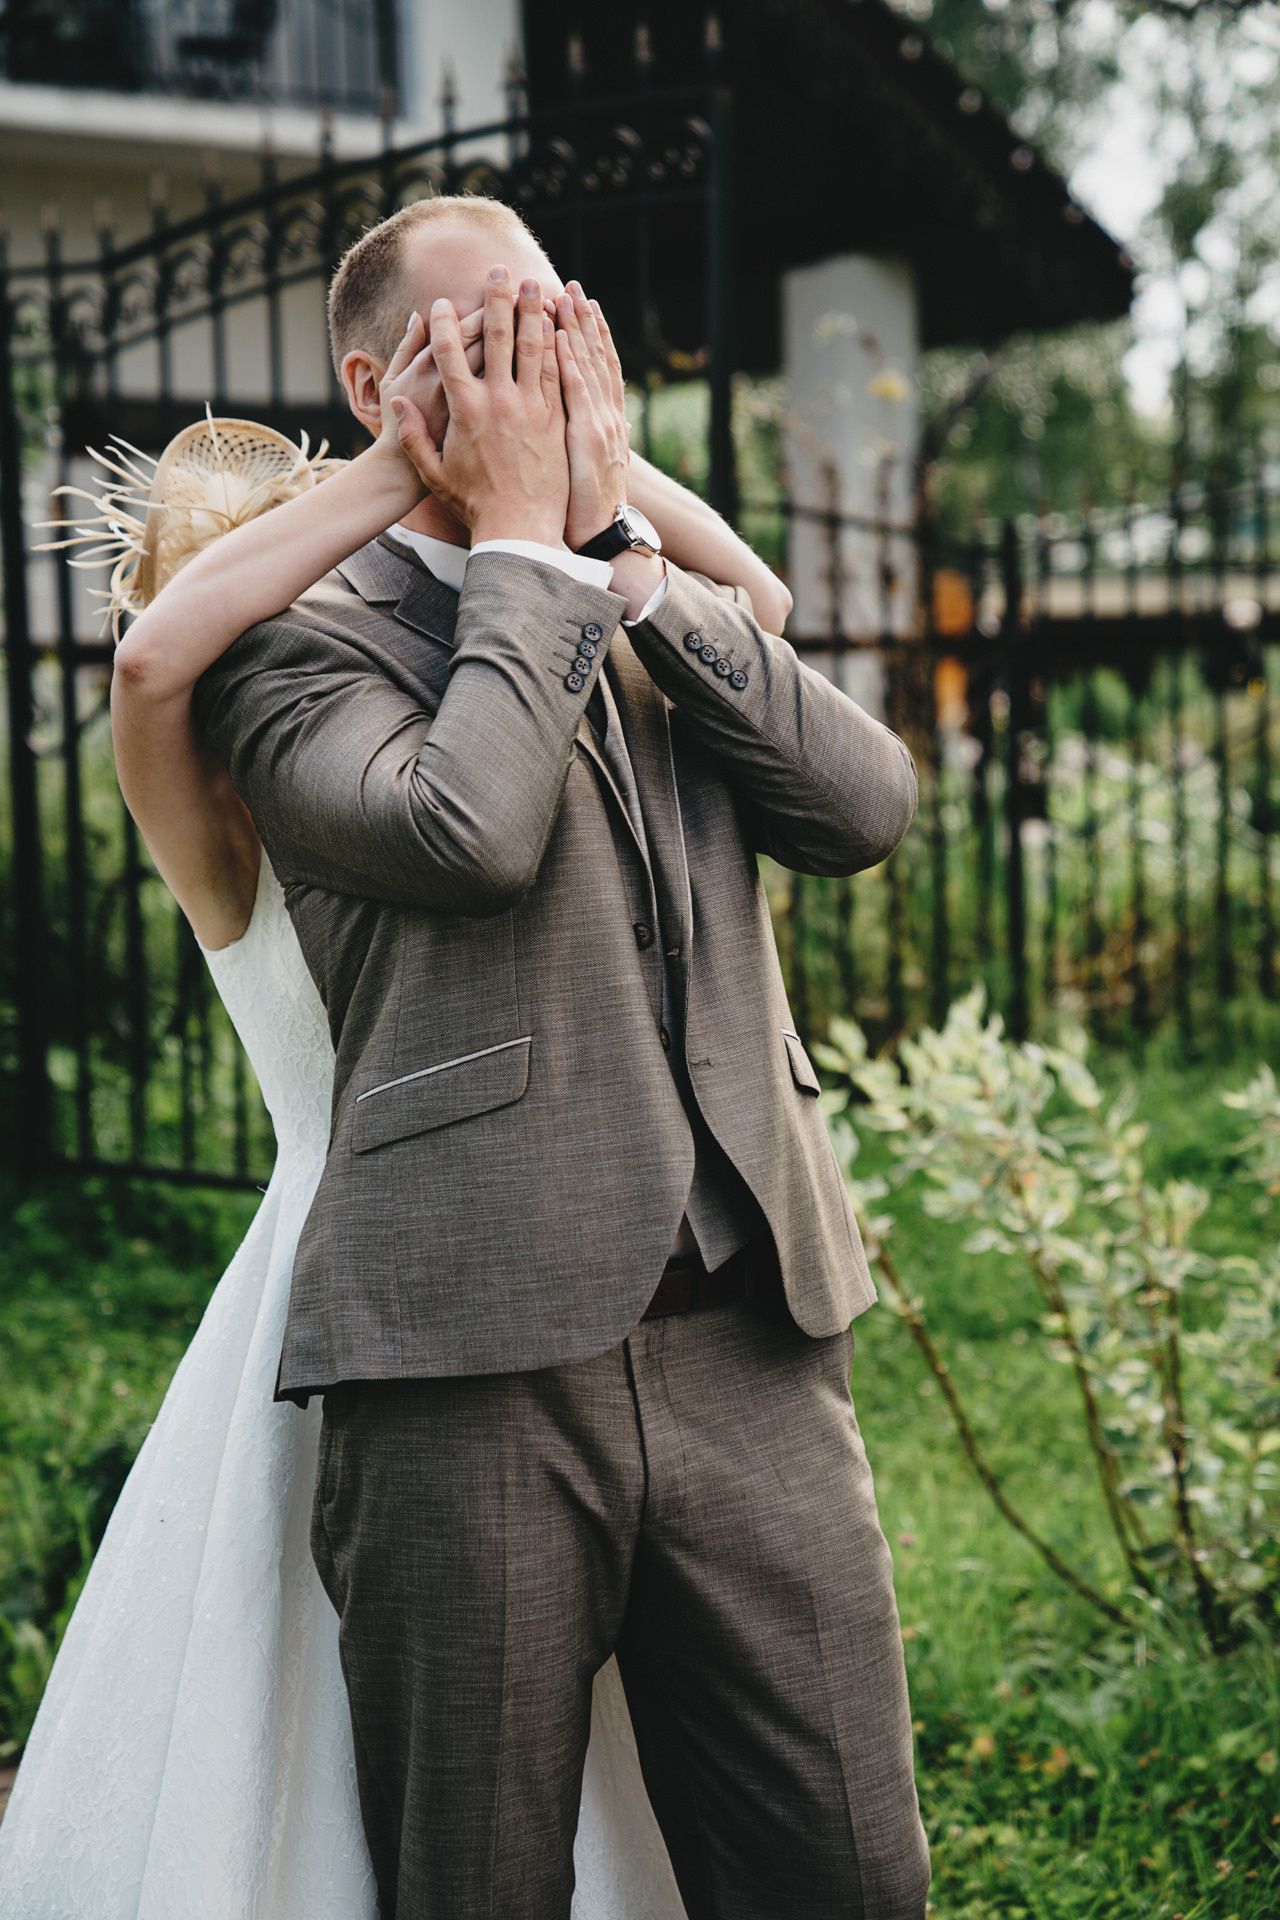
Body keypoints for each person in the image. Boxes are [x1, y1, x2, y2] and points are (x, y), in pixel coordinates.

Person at [0, 217, 781, 1920]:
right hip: (372, 1288)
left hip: (562, 1271)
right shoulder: (222, 777)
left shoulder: (453, 704)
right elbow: (152, 657)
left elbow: (761, 605)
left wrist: (572, 433)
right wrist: (400, 465)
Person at [195, 192, 927, 1918]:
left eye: (557, 320)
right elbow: (466, 831)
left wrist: (624, 558)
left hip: (750, 1334)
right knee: (475, 1881)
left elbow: (865, 808)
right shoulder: (292, 646)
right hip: (464, 1364)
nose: (538, 363)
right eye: (487, 336)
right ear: (376, 387)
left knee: (850, 1875)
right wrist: (528, 550)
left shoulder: (656, 589)